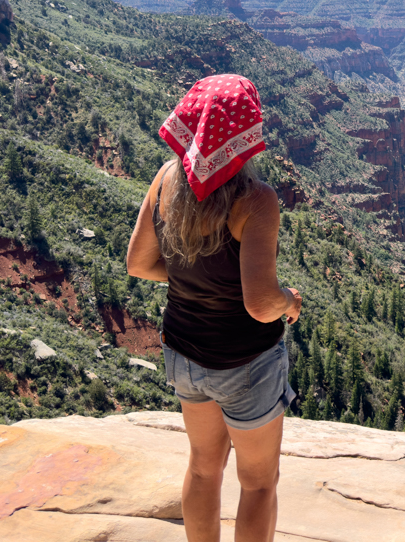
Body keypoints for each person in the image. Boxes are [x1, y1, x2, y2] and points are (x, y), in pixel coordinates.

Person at [126, 74, 302, 542]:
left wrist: (191, 279)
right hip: (245, 363)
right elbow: (261, 304)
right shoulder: (255, 202)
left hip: (184, 356)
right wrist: (290, 302)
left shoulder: (165, 181)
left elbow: (139, 263)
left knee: (204, 470)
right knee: (259, 483)